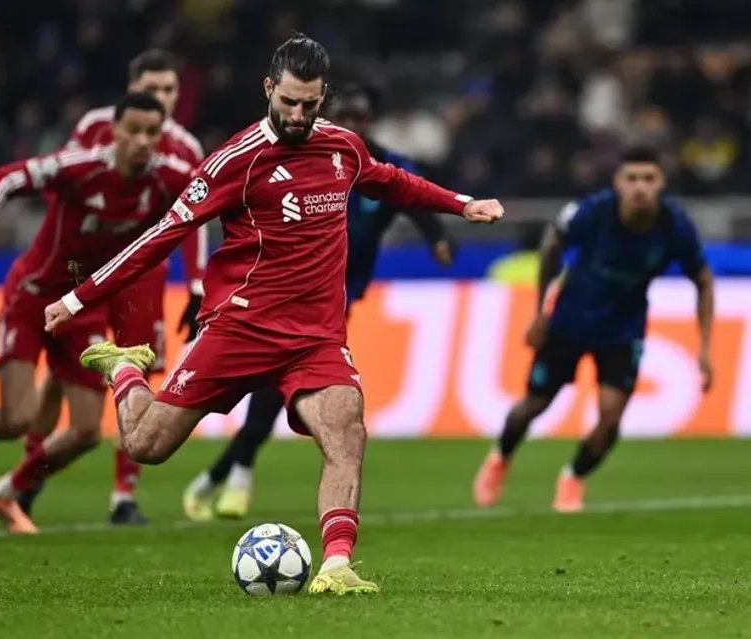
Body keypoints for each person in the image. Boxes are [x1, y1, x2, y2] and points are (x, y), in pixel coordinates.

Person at [44, 34, 503, 594]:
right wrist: (79, 298)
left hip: (315, 338)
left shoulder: (342, 148)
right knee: (147, 446)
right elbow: (163, 234)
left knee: (346, 431)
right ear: (268, 89)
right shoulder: (234, 162)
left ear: (322, 97)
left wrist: (462, 204)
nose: (298, 115)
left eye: (309, 104)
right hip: (239, 327)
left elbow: (392, 181)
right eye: (288, 102)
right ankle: (123, 368)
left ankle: (336, 565)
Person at [182, 83, 457, 521]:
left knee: (278, 390)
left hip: (333, 299)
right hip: (282, 291)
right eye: (345, 116)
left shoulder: (379, 165)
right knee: (274, 388)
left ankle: (225, 474)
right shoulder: (309, 157)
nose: (352, 125)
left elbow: (415, 198)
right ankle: (232, 473)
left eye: (360, 118)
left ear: (371, 121)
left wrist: (438, 239)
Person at [0, 93, 192, 534]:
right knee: (18, 418)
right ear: (114, 131)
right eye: (133, 130)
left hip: (80, 309)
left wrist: (202, 282)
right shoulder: (80, 167)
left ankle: (7, 491)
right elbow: (2, 178)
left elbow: (213, 198)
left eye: (152, 133)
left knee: (85, 433)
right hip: (32, 296)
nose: (142, 141)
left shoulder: (166, 177)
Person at [20, 49, 207, 525]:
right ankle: (31, 467)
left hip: (142, 276)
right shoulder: (95, 128)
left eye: (169, 89)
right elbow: (64, 185)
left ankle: (123, 495)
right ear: (131, 89)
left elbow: (195, 219)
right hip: (87, 269)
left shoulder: (185, 148)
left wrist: (197, 284)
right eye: (152, 88)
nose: (161, 97)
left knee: (138, 369)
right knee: (65, 372)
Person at [473, 147, 714, 513]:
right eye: (632, 178)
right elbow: (552, 243)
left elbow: (704, 279)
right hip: (570, 320)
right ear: (618, 182)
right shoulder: (594, 211)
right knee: (533, 405)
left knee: (611, 415)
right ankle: (500, 457)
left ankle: (573, 477)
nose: (640, 187)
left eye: (648, 179)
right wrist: (540, 313)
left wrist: (705, 349)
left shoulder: (675, 225)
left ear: (661, 183)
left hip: (623, 328)